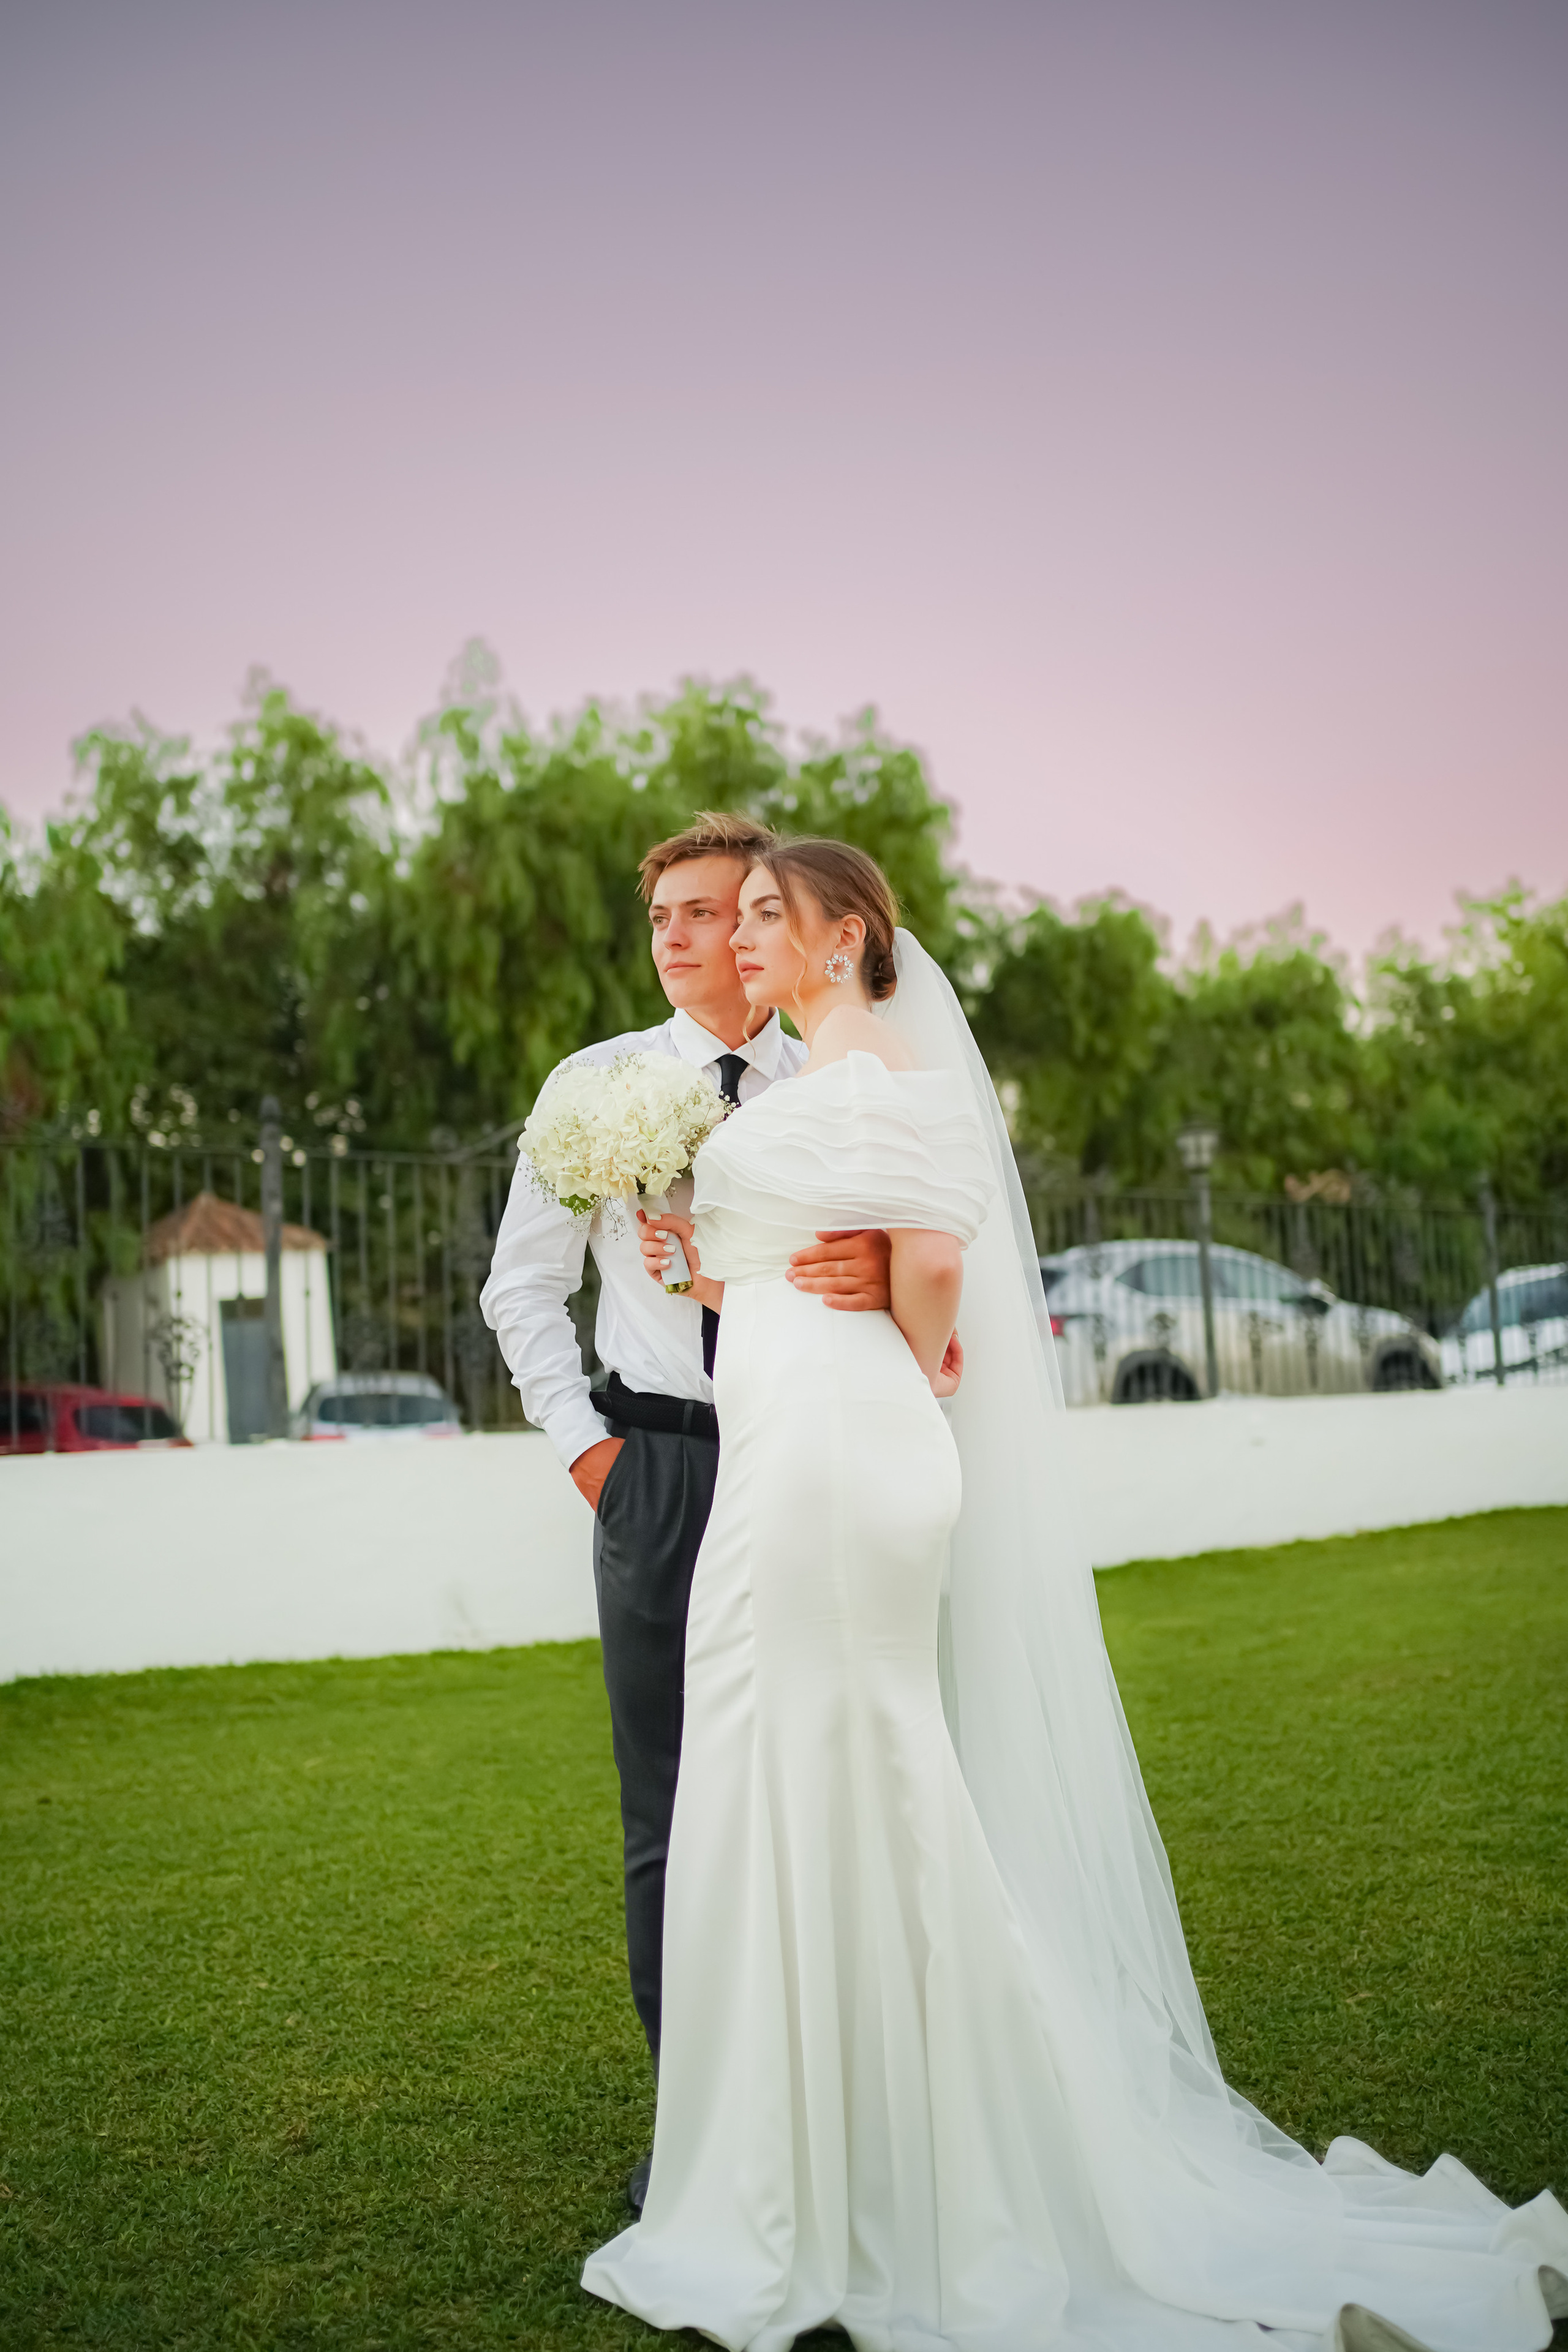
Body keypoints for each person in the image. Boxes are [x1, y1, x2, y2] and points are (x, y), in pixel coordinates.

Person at [582, 838, 1568, 2352]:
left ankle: (939, 2180)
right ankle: (821, 2160)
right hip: (790, 1439)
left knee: (863, 1767)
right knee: (782, 1775)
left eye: (772, 914)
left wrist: (898, 1325)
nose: (745, 936)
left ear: (849, 938)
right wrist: (713, 1271)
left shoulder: (882, 1086)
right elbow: (791, 1271)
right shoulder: (794, 1084)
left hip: (839, 1467)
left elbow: (933, 1281)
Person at [480, 812, 893, 2215]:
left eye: (705, 912)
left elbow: (887, 1282)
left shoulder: (832, 1083)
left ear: (765, 923)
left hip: (808, 1463)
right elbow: (518, 1289)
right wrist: (590, 1457)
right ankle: (697, 2125)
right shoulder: (592, 1086)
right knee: (669, 1812)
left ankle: (832, 2105)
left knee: (821, 1779)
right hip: (654, 1470)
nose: (674, 936)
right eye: (659, 915)